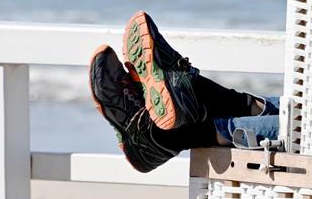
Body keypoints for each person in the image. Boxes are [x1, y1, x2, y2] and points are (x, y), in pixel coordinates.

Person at [88, 11, 280, 172]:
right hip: (298, 119)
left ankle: (162, 134)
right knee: (294, 111)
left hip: (301, 137)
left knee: (299, 120)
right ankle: (187, 103)